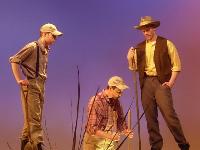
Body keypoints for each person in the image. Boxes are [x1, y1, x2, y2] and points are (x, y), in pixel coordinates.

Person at [127, 16, 190, 150]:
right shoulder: (139, 47)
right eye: (143, 30)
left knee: (169, 115)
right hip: (146, 84)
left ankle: (183, 145)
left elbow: (176, 65)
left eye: (148, 29)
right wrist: (129, 59)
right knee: (150, 119)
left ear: (154, 28)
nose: (146, 32)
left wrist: (171, 82)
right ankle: (155, 147)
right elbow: (134, 68)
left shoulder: (166, 43)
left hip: (161, 82)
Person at [9, 23, 63, 150]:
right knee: (34, 118)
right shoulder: (33, 47)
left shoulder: (45, 49)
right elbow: (15, 60)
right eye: (53, 36)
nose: (55, 39)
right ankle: (38, 144)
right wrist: (19, 80)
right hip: (32, 84)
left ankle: (25, 143)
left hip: (40, 85)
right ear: (44, 34)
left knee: (32, 117)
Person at [83, 76, 133, 150]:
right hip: (94, 141)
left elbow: (120, 120)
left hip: (107, 140)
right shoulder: (96, 101)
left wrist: (125, 130)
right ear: (110, 88)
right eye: (118, 92)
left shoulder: (116, 102)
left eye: (121, 92)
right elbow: (92, 128)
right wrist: (110, 136)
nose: (120, 95)